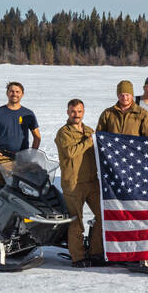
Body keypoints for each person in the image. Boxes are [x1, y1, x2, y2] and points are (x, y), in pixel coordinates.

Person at [0, 81, 41, 210]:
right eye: (12, 91)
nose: (14, 94)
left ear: (22, 94)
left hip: (23, 158)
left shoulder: (28, 114)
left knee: (37, 182)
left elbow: (37, 137)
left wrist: (31, 155)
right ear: (7, 93)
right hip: (3, 157)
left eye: (17, 92)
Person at [54, 99, 102, 267]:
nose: (76, 115)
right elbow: (70, 152)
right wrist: (89, 141)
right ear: (68, 112)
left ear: (83, 112)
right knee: (76, 221)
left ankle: (96, 252)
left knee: (103, 216)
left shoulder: (89, 131)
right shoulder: (63, 133)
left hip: (92, 181)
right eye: (73, 111)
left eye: (79, 111)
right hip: (73, 183)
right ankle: (78, 257)